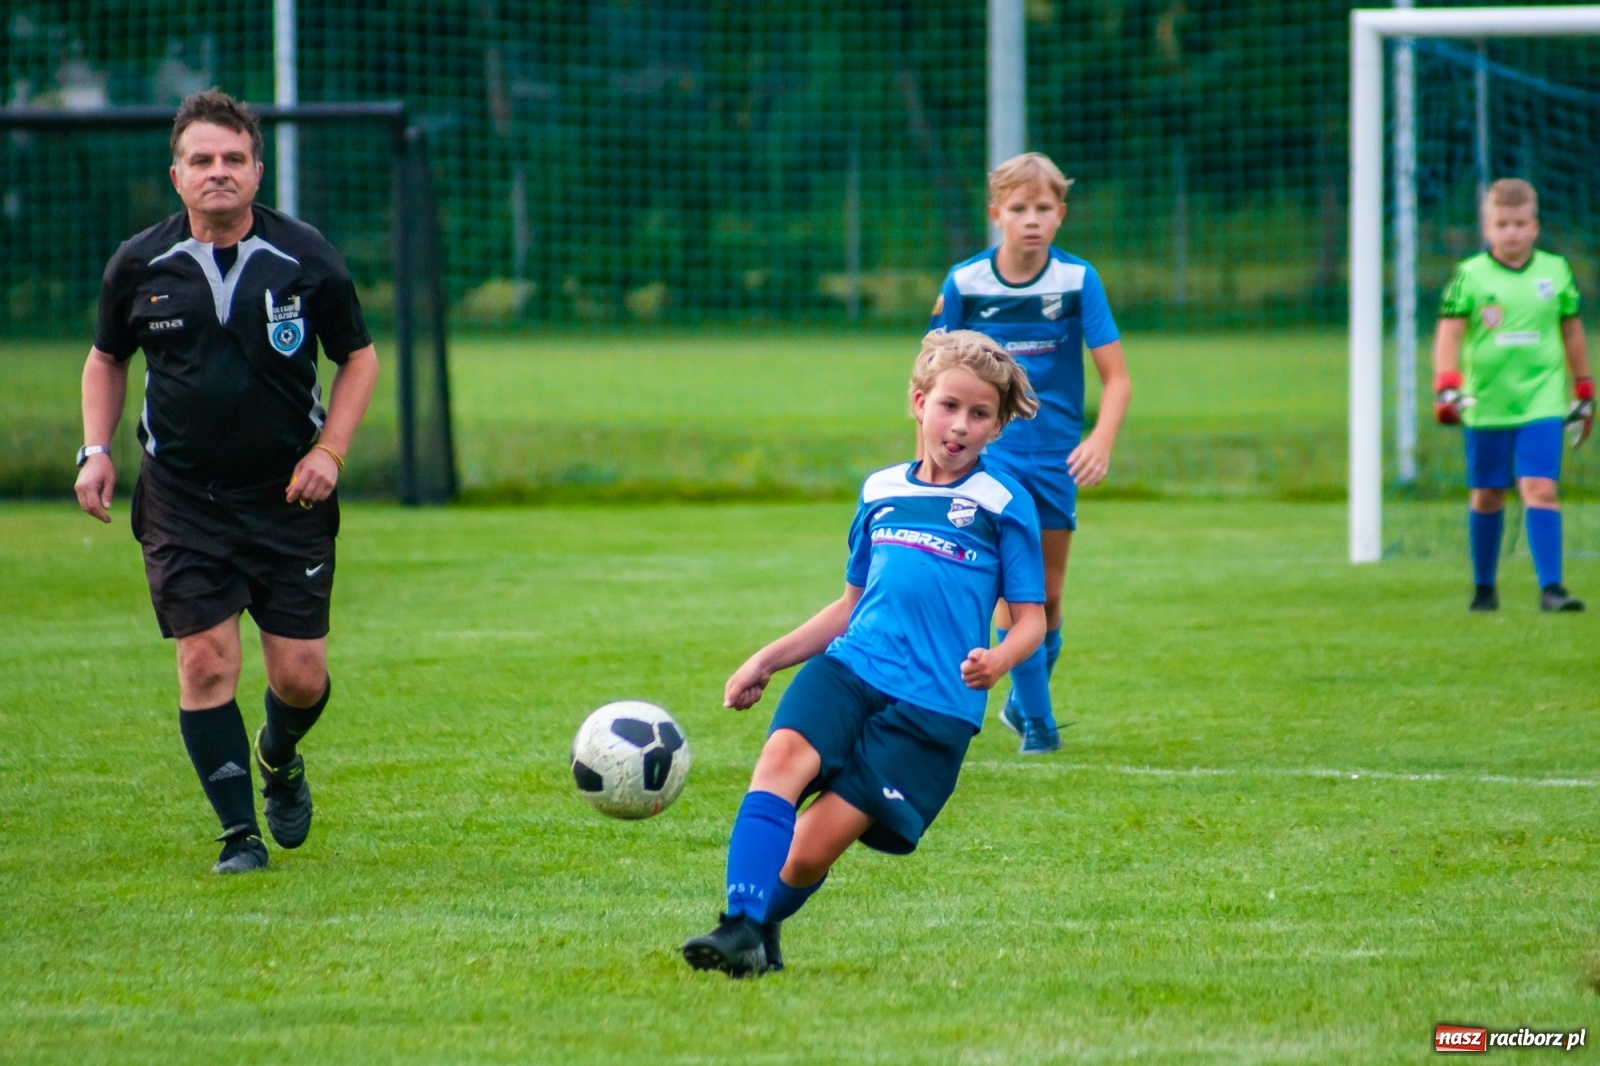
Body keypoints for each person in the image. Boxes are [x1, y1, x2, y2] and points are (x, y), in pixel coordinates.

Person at [74, 89, 380, 873]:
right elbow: (107, 358)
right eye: (202, 160)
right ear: (176, 175)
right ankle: (239, 834)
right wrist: (96, 450)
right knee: (206, 660)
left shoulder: (304, 257)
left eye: (234, 159)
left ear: (258, 170)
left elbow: (360, 357)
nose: (219, 173)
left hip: (288, 497)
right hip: (181, 496)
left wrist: (331, 453)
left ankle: (279, 757)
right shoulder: (140, 264)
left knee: (301, 678)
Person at [681, 329, 1046, 977]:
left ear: (995, 426)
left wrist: (999, 661)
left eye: (979, 414)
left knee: (806, 853)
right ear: (918, 402)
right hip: (852, 669)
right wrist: (768, 659)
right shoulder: (880, 491)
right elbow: (850, 604)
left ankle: (760, 931)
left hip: (932, 709)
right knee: (781, 757)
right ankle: (738, 923)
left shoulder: (1002, 502)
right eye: (949, 406)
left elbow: (1031, 621)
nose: (960, 425)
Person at [929, 152, 1131, 754]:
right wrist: (935, 453)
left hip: (1054, 459)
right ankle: (1040, 729)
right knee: (1017, 592)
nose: (1032, 220)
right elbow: (933, 375)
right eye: (1019, 209)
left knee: (1050, 592)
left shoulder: (1076, 281)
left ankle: (1024, 700)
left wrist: (1099, 440)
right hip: (989, 457)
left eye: (1044, 208)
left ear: (1060, 215)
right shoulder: (965, 282)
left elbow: (1117, 378)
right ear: (997, 215)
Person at [1433, 177, 1594, 613]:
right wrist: (1446, 384)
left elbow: (1572, 330)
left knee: (1539, 487)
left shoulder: (1555, 271)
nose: (1512, 232)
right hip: (1485, 402)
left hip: (1542, 399)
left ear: (1535, 226)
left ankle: (1552, 589)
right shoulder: (1470, 275)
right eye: (1502, 223)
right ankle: (1484, 589)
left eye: (1520, 223)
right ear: (1488, 228)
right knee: (1488, 494)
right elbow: (1449, 333)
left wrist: (1583, 386)